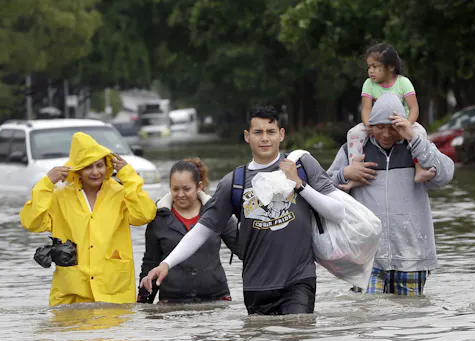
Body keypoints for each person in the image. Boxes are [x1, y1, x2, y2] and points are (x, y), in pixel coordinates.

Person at [141, 106, 346, 315]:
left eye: (270, 132)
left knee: (297, 335)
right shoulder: (234, 182)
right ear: (247, 136)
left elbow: (338, 212)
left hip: (298, 280)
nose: (265, 138)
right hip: (256, 287)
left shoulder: (302, 166)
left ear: (281, 134)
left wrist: (300, 185)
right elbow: (203, 230)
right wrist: (166, 264)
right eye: (258, 132)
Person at [327, 92, 455, 295]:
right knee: (369, 318)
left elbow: (446, 175)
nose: (386, 134)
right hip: (367, 258)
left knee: (410, 322)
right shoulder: (353, 151)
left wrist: (413, 138)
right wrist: (345, 174)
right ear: (370, 126)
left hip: (413, 256)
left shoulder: (418, 150)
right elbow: (323, 189)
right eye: (380, 127)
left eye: (393, 127)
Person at [20, 132, 156, 306]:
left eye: (99, 165)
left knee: (114, 333)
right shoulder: (60, 197)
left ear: (107, 166)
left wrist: (128, 176)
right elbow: (32, 222)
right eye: (88, 167)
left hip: (114, 292)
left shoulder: (120, 193)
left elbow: (144, 215)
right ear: (77, 169)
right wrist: (46, 184)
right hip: (71, 294)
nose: (95, 172)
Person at [138, 159, 238, 304]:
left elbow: (243, 248)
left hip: (216, 299)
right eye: (175, 189)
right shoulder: (158, 217)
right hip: (171, 302)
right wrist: (143, 303)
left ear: (199, 187)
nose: (180, 194)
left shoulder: (217, 213)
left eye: (186, 189)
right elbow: (150, 262)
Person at [345, 42, 430, 184]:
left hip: (401, 123)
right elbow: (366, 108)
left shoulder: (403, 83)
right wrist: (368, 125)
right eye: (369, 67)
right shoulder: (369, 84)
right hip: (377, 123)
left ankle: (420, 167)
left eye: (375, 67)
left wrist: (408, 124)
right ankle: (356, 169)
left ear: (391, 67)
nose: (370, 71)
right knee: (353, 134)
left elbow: (414, 108)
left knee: (420, 132)